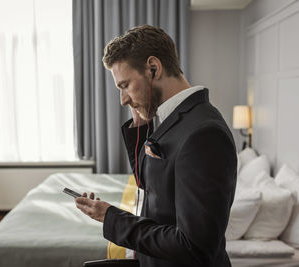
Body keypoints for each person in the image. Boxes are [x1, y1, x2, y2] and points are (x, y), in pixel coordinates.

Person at [75, 25, 237, 267]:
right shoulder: (176, 118)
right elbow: (151, 185)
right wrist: (139, 127)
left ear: (153, 68)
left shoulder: (204, 134)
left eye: (125, 85)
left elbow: (194, 247)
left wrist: (111, 217)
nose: (123, 100)